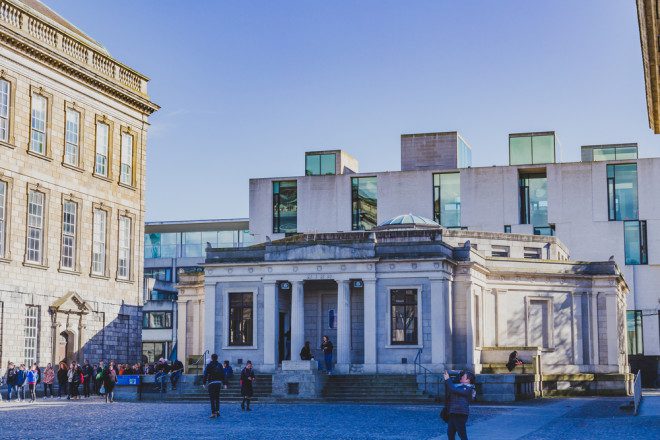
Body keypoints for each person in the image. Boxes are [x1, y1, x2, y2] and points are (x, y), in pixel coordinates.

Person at [443, 370, 476, 440]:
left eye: (463, 376)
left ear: (468, 380)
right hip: (453, 412)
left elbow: (454, 390)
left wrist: (448, 379)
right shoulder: (458, 386)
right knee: (450, 433)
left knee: (462, 435)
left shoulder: (469, 389)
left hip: (460, 413)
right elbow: (450, 390)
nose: (461, 377)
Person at [202, 353, 225, 419]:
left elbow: (205, 374)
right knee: (217, 398)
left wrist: (204, 383)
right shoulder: (220, 365)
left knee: (212, 398)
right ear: (217, 358)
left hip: (211, 383)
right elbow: (223, 374)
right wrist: (224, 383)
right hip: (218, 383)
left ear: (211, 358)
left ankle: (213, 413)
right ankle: (217, 411)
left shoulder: (209, 365)